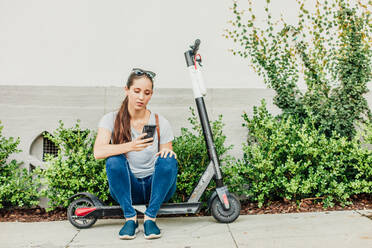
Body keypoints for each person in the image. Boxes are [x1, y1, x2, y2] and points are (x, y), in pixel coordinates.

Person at [93, 68, 178, 240]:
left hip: (157, 188)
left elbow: (167, 154)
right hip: (128, 189)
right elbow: (98, 152)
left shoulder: (160, 121)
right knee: (113, 160)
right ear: (127, 90)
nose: (141, 97)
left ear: (151, 95)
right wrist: (131, 146)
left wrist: (168, 153)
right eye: (136, 91)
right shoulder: (111, 119)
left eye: (146, 93)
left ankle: (150, 219)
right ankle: (130, 218)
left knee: (168, 160)